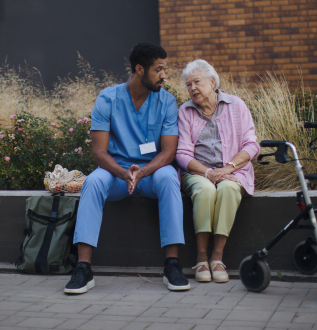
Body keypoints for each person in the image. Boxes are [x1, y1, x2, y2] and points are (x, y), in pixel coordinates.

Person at [64, 43, 190, 294]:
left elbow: (168, 152)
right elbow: (99, 151)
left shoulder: (166, 101)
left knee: (169, 178)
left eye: (165, 69)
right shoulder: (108, 98)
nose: (164, 75)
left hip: (152, 172)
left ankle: (172, 265)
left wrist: (143, 172)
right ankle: (83, 268)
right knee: (92, 182)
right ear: (139, 69)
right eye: (159, 70)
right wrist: (123, 173)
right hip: (116, 173)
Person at [176, 59, 259, 283]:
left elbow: (251, 145)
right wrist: (208, 173)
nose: (192, 88)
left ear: (212, 82)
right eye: (188, 84)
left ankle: (217, 257)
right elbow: (182, 154)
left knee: (229, 189)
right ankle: (201, 258)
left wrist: (227, 168)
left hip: (232, 170)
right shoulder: (185, 111)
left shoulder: (236, 105)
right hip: (197, 173)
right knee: (205, 191)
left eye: (197, 82)